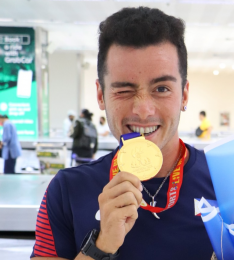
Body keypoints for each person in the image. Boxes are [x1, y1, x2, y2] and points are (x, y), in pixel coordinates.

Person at [31, 7, 216, 260]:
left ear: (184, 95)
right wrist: (101, 245)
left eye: (161, 88)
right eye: (124, 90)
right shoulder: (67, 189)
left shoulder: (228, 183)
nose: (143, 110)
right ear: (101, 95)